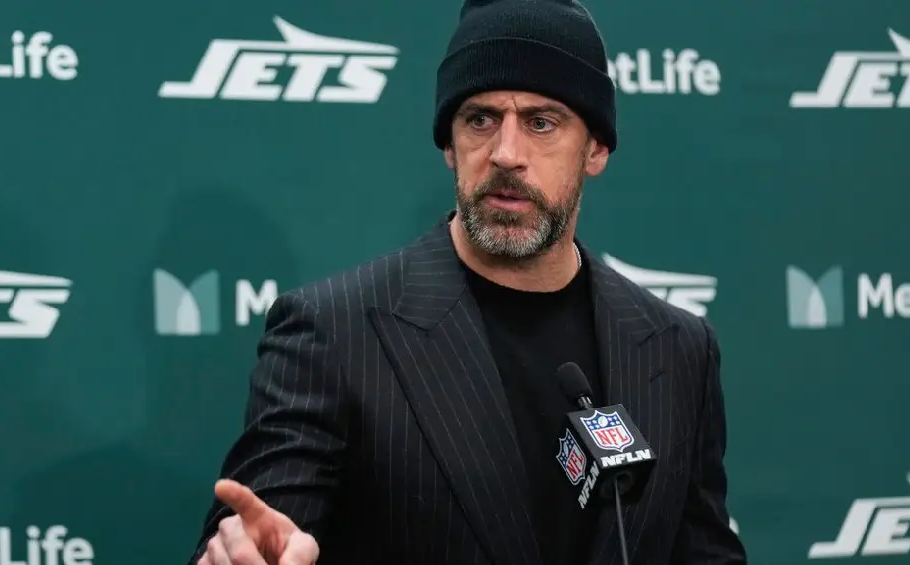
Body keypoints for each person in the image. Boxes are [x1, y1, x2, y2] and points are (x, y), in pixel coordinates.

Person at [189, 0, 747, 564]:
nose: (506, 154)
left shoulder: (680, 349)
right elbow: (257, 538)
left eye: (541, 122)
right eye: (480, 119)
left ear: (596, 148)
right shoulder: (332, 334)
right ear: (449, 146)